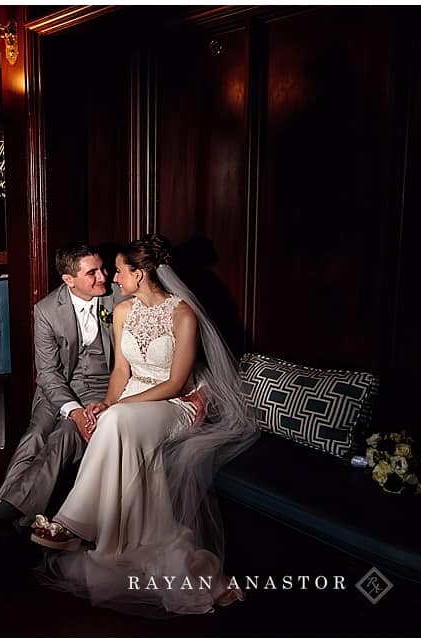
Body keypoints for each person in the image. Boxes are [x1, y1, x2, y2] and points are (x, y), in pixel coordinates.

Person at [30, 233, 259, 618]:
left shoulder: (183, 314)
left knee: (114, 418)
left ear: (140, 273)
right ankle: (96, 532)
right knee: (110, 419)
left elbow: (174, 382)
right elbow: (121, 370)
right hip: (132, 402)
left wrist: (119, 407)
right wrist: (108, 402)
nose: (114, 278)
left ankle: (70, 524)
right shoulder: (122, 310)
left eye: (119, 271)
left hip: (172, 405)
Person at [0, 242, 128, 539]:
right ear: (69, 280)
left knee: (65, 434)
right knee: (35, 434)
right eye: (93, 273)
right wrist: (73, 410)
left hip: (102, 389)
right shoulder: (47, 310)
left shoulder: (119, 296)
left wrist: (81, 415)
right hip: (58, 389)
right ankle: (4, 517)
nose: (103, 276)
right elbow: (49, 373)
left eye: (103, 268)